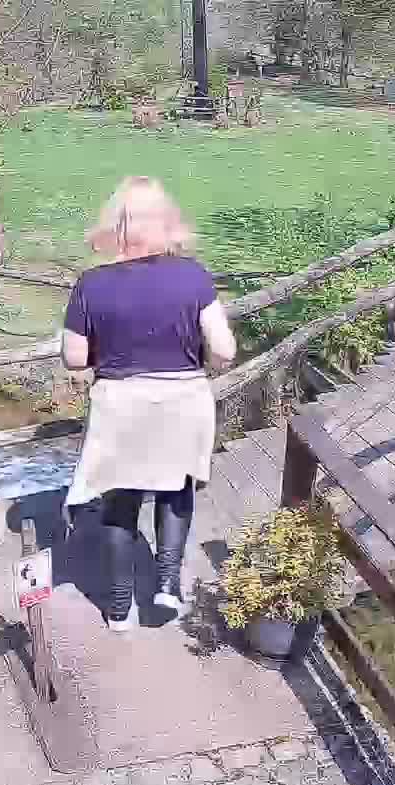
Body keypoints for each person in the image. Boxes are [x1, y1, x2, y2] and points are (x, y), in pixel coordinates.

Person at [62, 176, 238, 631]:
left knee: (120, 503)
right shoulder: (193, 275)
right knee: (176, 489)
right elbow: (224, 350)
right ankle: (167, 584)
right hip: (183, 400)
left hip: (120, 405)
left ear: (117, 225)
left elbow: (75, 358)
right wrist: (198, 361)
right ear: (168, 221)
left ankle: (119, 608)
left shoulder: (90, 284)